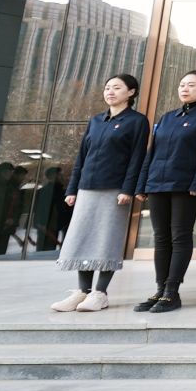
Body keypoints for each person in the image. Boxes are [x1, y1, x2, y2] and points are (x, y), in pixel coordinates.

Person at [51, 74, 150, 314]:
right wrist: (72, 188)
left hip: (114, 189)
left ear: (131, 92)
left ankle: (100, 293)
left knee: (107, 240)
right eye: (107, 88)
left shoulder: (137, 121)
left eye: (116, 88)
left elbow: (137, 158)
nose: (110, 92)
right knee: (83, 238)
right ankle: (82, 291)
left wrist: (128, 189)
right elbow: (82, 157)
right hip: (87, 188)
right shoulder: (96, 120)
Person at [132, 70, 196, 314]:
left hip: (185, 185)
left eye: (191, 85)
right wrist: (142, 184)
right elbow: (151, 153)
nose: (184, 88)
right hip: (157, 183)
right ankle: (160, 289)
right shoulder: (168, 117)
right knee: (161, 237)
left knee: (180, 236)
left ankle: (172, 291)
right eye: (182, 84)